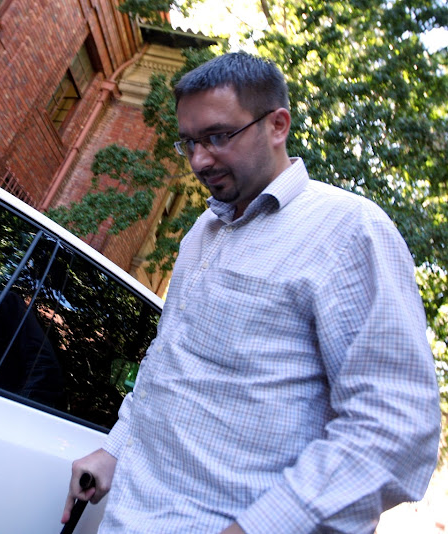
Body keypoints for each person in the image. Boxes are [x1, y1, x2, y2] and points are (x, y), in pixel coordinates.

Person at [61, 52, 441, 533]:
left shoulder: (348, 230)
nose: (199, 159)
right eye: (189, 142)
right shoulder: (203, 231)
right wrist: (114, 449)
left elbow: (394, 429)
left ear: (277, 124)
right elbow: (170, 361)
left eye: (218, 137)